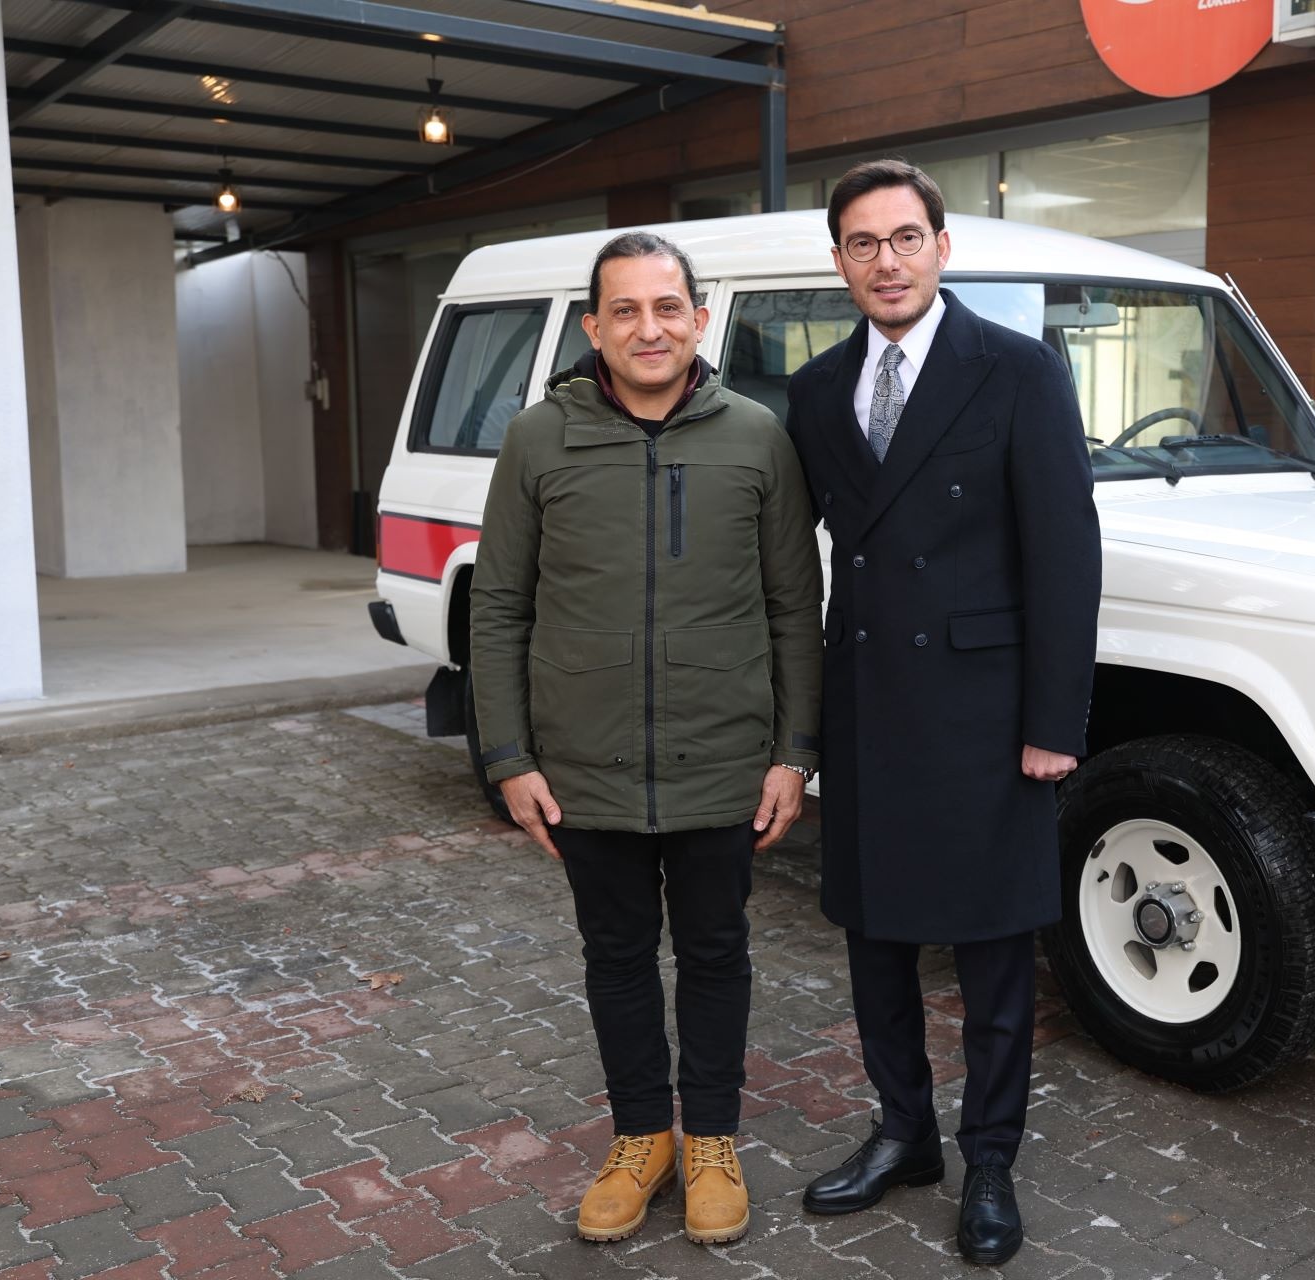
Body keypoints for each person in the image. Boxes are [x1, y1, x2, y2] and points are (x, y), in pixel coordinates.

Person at [468, 231, 822, 1247]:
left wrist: (794, 752)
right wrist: (509, 759)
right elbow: (499, 605)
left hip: (723, 761)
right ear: (594, 327)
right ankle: (641, 1138)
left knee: (715, 952)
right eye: (624, 310)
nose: (648, 328)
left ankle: (709, 1137)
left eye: (667, 307)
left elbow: (795, 605)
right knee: (617, 956)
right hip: (586, 766)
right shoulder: (539, 438)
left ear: (699, 319)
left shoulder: (757, 436)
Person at [783, 159, 1102, 1266]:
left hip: (986, 715)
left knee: (992, 957)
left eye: (906, 237)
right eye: (864, 243)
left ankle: (992, 1159)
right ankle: (905, 1132)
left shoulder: (1017, 370)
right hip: (868, 702)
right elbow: (797, 558)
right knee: (874, 942)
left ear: (943, 247)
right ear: (839, 262)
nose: (888, 261)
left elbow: (1065, 556)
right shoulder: (815, 391)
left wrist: (1055, 723)